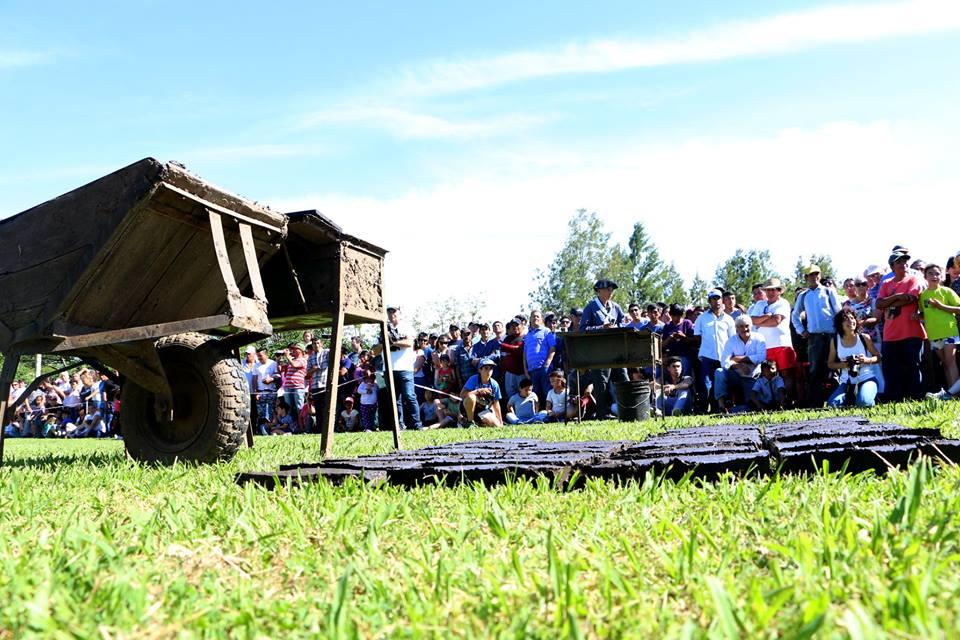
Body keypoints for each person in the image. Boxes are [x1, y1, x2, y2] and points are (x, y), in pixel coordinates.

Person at [876, 251, 926, 402]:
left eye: (905, 261)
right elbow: (878, 304)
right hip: (890, 334)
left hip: (911, 332)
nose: (904, 264)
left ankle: (916, 399)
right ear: (892, 266)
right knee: (891, 370)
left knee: (913, 367)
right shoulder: (886, 283)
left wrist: (888, 302)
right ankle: (894, 400)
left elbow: (911, 299)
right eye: (899, 262)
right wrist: (897, 296)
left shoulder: (914, 279)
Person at [791, 264, 842, 406]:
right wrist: (802, 331)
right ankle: (815, 403)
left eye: (816, 274)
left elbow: (838, 312)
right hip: (815, 338)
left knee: (834, 368)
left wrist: (840, 331)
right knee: (815, 371)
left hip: (832, 335)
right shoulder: (803, 296)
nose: (814, 277)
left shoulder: (828, 291)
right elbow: (795, 316)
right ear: (806, 278)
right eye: (811, 275)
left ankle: (837, 400)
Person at [580, 279, 626, 418]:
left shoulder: (616, 307)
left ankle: (627, 410)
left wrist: (616, 327)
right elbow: (583, 329)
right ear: (599, 290)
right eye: (607, 289)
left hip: (616, 350)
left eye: (612, 289)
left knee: (623, 378)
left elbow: (623, 324)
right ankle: (602, 414)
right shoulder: (591, 307)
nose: (610, 292)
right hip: (598, 352)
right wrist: (601, 328)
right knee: (601, 384)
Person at [372, 305, 422, 430]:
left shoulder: (407, 327)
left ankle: (416, 424)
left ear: (400, 313)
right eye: (389, 311)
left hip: (405, 368)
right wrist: (384, 342)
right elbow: (375, 351)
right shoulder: (383, 329)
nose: (391, 314)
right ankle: (398, 425)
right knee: (394, 399)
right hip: (388, 368)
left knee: (409, 396)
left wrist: (393, 342)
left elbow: (409, 343)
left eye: (394, 311)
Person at [750, 278, 797, 405]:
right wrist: (767, 316)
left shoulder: (783, 303)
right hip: (764, 345)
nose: (770, 292)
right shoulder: (760, 304)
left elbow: (776, 321)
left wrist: (761, 321)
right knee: (766, 375)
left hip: (782, 344)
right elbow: (752, 320)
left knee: (786, 374)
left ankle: (788, 401)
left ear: (779, 291)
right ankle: (773, 401)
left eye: (773, 290)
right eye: (768, 290)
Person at [918, 264, 960, 394]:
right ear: (925, 277)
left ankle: (953, 394)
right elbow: (924, 313)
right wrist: (917, 315)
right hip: (934, 334)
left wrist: (940, 306)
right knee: (945, 364)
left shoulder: (947, 291)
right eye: (930, 273)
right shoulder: (922, 295)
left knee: (950, 362)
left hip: (950, 331)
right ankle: (952, 393)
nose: (934, 276)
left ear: (941, 276)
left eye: (937, 273)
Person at [827, 309, 881, 407]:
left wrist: (866, 360)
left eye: (852, 318)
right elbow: (830, 364)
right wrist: (844, 364)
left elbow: (878, 358)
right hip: (846, 382)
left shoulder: (864, 337)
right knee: (833, 405)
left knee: (864, 403)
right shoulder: (835, 340)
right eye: (846, 319)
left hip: (866, 378)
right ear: (840, 324)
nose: (850, 321)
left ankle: (866, 397)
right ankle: (853, 397)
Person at [693, 289, 736, 412]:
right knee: (706, 385)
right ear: (709, 301)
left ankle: (718, 408)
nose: (716, 301)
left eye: (718, 298)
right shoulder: (701, 318)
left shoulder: (728, 319)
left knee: (721, 384)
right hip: (707, 356)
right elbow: (697, 337)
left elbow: (732, 339)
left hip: (724, 357)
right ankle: (703, 409)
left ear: (722, 300)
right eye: (713, 299)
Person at [714, 315, 767, 412]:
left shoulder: (759, 338)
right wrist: (737, 365)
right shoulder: (731, 341)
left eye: (747, 326)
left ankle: (731, 410)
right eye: (741, 326)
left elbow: (761, 357)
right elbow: (724, 362)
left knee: (751, 405)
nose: (745, 329)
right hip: (735, 376)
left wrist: (738, 359)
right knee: (719, 372)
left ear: (751, 326)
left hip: (752, 376)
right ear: (736, 328)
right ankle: (721, 405)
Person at [522, 310, 556, 410]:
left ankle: (550, 414)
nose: (535, 318)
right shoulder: (527, 336)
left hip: (544, 368)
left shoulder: (546, 331)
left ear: (541, 319)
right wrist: (525, 370)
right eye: (533, 316)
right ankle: (538, 416)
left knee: (547, 393)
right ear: (530, 319)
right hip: (532, 370)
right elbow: (524, 354)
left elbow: (552, 348)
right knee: (535, 395)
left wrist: (547, 364)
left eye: (537, 316)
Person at [460, 358, 504, 427]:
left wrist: (500, 421)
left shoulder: (494, 384)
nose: (489, 371)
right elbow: (462, 395)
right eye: (486, 368)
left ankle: (478, 423)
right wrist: (478, 391)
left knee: (497, 426)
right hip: (467, 408)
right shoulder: (473, 379)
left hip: (483, 409)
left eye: (491, 368)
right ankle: (470, 422)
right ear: (480, 370)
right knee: (471, 397)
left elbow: (496, 403)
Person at [304, 335, 330, 434]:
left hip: (326, 383)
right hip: (315, 385)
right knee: (318, 409)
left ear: (321, 344)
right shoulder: (310, 357)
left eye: (318, 343)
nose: (316, 345)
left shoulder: (327, 353)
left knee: (326, 408)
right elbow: (307, 373)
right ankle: (320, 429)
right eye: (314, 343)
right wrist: (313, 369)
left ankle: (328, 428)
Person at [279, 342, 308, 431]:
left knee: (299, 408)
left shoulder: (303, 360)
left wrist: (287, 356)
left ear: (300, 350)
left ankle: (303, 428)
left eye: (294, 349)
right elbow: (281, 370)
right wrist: (279, 361)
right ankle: (292, 428)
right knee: (289, 409)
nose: (292, 351)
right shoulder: (292, 360)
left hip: (298, 387)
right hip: (288, 388)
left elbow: (295, 365)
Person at [253, 349, 279, 436]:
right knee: (261, 413)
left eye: (260, 355)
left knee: (272, 411)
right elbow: (254, 379)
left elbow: (277, 375)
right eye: (258, 356)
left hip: (271, 391)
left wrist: (271, 379)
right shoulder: (256, 365)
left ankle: (271, 430)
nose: (259, 358)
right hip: (260, 392)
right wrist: (256, 392)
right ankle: (261, 432)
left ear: (266, 355)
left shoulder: (273, 363)